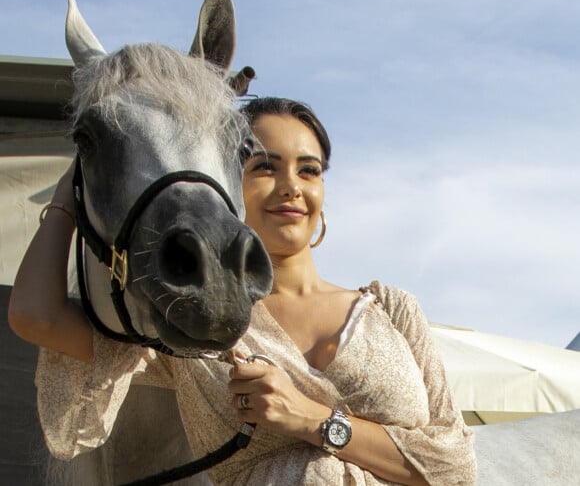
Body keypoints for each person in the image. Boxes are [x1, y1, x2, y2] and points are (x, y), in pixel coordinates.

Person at [9, 97, 477, 485]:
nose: (291, 187)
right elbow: (36, 316)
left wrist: (312, 419)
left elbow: (454, 467)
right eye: (265, 167)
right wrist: (71, 193)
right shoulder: (200, 329)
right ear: (228, 183)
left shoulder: (393, 310)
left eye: (309, 170)